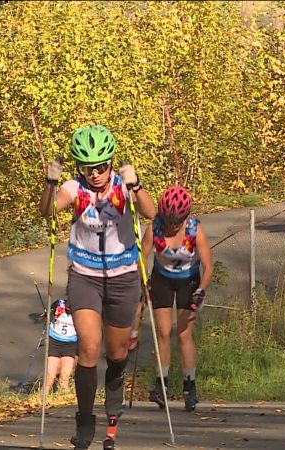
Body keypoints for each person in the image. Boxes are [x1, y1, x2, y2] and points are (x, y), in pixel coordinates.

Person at [39, 125, 156, 449]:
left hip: (122, 277)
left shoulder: (122, 186)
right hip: (85, 276)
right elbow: (47, 211)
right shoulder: (75, 188)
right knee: (88, 350)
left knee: (116, 354)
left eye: (102, 166)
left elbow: (151, 213)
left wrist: (137, 185)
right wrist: (50, 183)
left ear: (110, 163)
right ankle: (86, 419)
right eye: (89, 167)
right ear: (81, 167)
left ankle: (115, 389)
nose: (96, 173)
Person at [140, 185, 213, 412]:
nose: (172, 226)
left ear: (185, 216)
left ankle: (189, 387)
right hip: (161, 279)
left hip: (188, 281)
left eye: (176, 222)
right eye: (168, 221)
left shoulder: (194, 230)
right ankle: (160, 386)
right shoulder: (155, 229)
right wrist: (142, 281)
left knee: (183, 334)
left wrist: (201, 290)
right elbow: (140, 259)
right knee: (162, 333)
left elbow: (209, 267)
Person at [44, 297, 78, 393]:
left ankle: (62, 400)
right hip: (55, 342)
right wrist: (48, 315)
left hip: (70, 344)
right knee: (50, 376)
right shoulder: (58, 304)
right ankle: (42, 399)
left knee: (65, 376)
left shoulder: (79, 310)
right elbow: (48, 316)